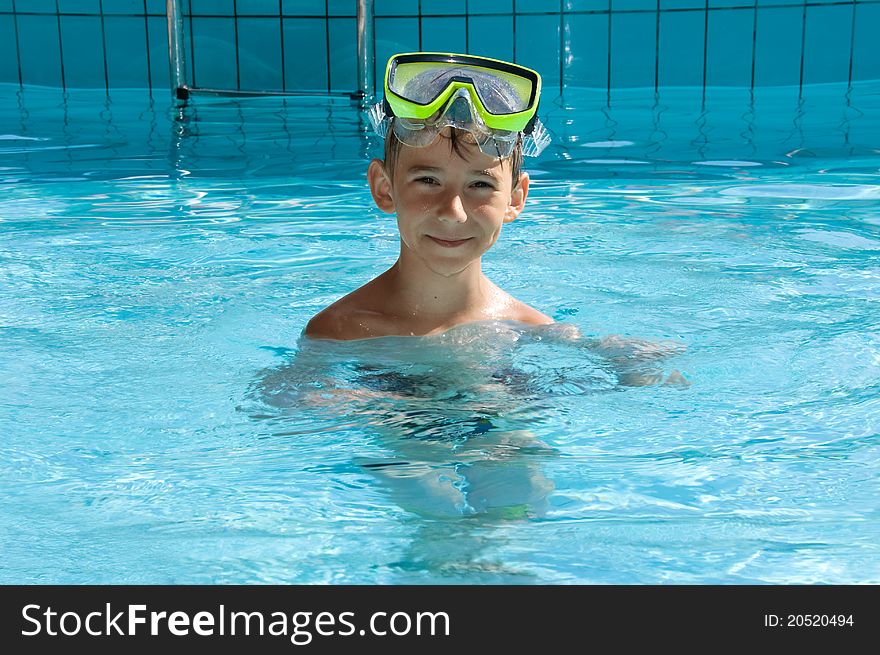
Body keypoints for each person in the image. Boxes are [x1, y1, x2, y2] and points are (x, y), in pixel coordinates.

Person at [305, 52, 554, 340]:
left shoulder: (534, 333)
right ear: (384, 188)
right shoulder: (336, 333)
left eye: (480, 185)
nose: (453, 212)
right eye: (427, 180)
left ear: (514, 199)